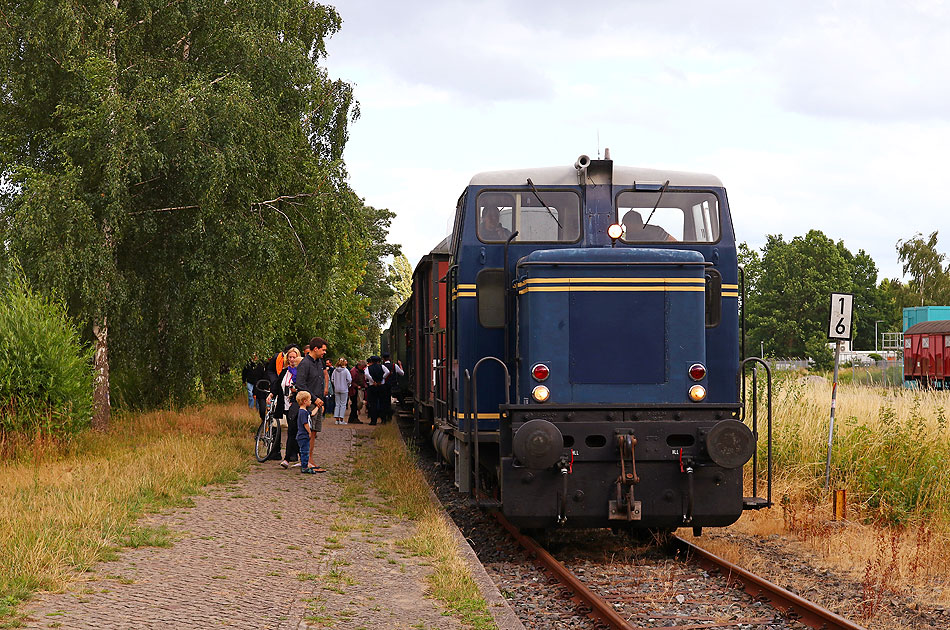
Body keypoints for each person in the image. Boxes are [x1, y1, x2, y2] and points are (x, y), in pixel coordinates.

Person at [290, 337, 328, 467]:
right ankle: (306, 460)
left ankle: (310, 459)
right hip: (309, 402)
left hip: (317, 402)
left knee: (314, 432)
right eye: (323, 350)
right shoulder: (305, 364)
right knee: (308, 432)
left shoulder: (319, 362)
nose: (324, 353)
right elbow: (301, 384)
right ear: (315, 349)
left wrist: (321, 401)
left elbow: (320, 382)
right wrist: (314, 399)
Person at [271, 346, 301, 465]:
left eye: (294, 357)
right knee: (291, 430)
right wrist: (272, 394)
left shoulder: (300, 372)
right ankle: (295, 455)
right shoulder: (285, 371)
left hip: (294, 403)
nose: (292, 359)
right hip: (284, 403)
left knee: (293, 430)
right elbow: (278, 385)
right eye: (290, 357)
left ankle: (288, 458)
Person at [294, 390, 324, 474]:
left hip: (303, 435)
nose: (311, 401)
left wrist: (318, 407)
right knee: (304, 452)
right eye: (310, 400)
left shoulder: (305, 411)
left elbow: (312, 413)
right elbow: (305, 423)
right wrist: (309, 432)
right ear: (304, 401)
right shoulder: (302, 412)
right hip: (303, 435)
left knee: (305, 451)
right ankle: (304, 467)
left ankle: (305, 465)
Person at [364, 355, 389, 426]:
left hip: (372, 386)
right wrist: (381, 379)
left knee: (373, 404)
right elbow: (387, 372)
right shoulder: (382, 367)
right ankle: (383, 420)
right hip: (381, 386)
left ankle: (373, 421)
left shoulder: (368, 368)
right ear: (378, 361)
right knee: (382, 403)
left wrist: (373, 380)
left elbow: (366, 374)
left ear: (371, 361)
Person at [380, 353, 404, 424]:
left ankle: (385, 418)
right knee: (396, 400)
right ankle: (391, 416)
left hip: (385, 386)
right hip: (393, 386)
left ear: (383, 359)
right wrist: (400, 365)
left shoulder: (382, 366)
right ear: (389, 358)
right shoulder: (394, 365)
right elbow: (402, 373)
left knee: (385, 402)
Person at [331, 358, 352, 425]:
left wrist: (335, 385)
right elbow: (349, 380)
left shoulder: (335, 370)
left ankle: (336, 420)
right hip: (344, 389)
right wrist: (347, 385)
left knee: (337, 404)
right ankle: (341, 419)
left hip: (336, 389)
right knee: (343, 404)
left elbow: (332, 379)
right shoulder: (346, 371)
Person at [348, 360, 367, 424]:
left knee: (355, 405)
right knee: (354, 404)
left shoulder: (360, 371)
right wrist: (357, 386)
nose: (363, 368)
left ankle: (353, 418)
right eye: (363, 367)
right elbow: (351, 381)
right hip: (354, 390)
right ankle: (352, 418)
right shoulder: (354, 371)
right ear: (359, 366)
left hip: (358, 389)